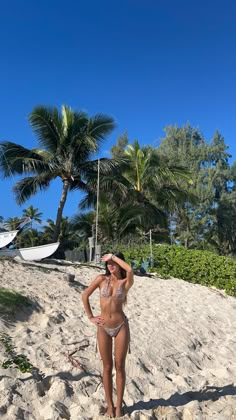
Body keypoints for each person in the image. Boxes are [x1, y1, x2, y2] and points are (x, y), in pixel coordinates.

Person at [82, 252, 134, 418]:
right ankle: (109, 405)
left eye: (113, 263)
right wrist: (90, 316)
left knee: (120, 366)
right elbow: (85, 296)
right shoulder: (101, 279)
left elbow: (130, 270)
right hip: (103, 326)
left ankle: (119, 406)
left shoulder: (125, 282)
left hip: (121, 326)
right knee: (106, 366)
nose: (110, 266)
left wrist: (113, 256)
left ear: (119, 263)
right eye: (108, 263)